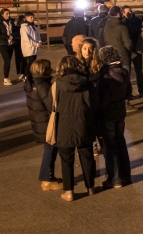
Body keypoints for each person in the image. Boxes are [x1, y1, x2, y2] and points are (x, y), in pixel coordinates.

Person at [54, 56, 98, 202]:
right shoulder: (87, 83)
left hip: (64, 126)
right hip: (84, 123)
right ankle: (90, 186)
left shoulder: (57, 84)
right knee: (87, 156)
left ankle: (69, 191)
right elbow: (94, 102)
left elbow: (51, 104)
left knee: (66, 160)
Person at [96, 46, 132, 189]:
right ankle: (126, 175)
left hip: (107, 113)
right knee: (120, 143)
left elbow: (104, 99)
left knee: (109, 145)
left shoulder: (106, 75)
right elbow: (128, 92)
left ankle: (115, 178)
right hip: (120, 111)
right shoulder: (124, 72)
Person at [24, 59, 62, 191]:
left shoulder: (31, 82)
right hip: (46, 121)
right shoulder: (42, 84)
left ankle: (47, 177)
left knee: (49, 149)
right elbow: (50, 103)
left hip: (38, 121)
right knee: (50, 149)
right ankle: (47, 179)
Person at [101, 6, 133, 78]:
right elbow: (128, 44)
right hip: (123, 57)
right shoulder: (122, 27)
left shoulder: (106, 27)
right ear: (118, 14)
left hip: (110, 57)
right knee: (125, 80)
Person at [122, 6, 143, 99]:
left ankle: (141, 91)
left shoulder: (138, 21)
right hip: (127, 50)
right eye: (127, 12)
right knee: (127, 73)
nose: (130, 14)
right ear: (123, 13)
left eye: (130, 11)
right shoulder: (122, 23)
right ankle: (128, 94)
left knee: (139, 71)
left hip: (136, 49)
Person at [0, 8, 18, 85]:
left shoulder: (11, 21)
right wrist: (7, 37)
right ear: (2, 14)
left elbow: (15, 30)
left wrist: (12, 35)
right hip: (2, 43)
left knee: (8, 61)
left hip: (11, 43)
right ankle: (5, 79)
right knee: (7, 61)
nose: (8, 15)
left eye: (9, 14)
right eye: (6, 14)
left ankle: (7, 77)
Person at [20, 12, 40, 78]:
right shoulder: (24, 27)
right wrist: (36, 44)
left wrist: (39, 42)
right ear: (26, 18)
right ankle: (26, 76)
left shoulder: (34, 27)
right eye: (31, 17)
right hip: (28, 48)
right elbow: (26, 39)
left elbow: (37, 35)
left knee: (33, 62)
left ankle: (30, 76)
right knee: (30, 63)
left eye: (33, 17)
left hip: (34, 48)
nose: (32, 18)